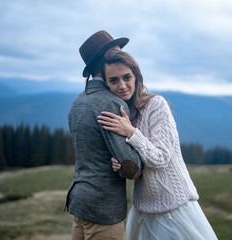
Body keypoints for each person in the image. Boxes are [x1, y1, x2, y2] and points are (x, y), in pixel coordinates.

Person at [97, 50, 218, 240]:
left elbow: (160, 158)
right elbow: (138, 163)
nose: (122, 85)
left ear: (136, 77)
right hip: (142, 210)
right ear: (106, 84)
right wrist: (121, 163)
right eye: (113, 80)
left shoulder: (156, 105)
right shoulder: (122, 113)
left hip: (174, 209)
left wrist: (131, 132)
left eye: (127, 77)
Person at [64, 30, 143, 240]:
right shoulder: (111, 102)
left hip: (79, 202)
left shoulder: (77, 102)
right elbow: (130, 167)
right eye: (115, 50)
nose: (120, 54)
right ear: (103, 61)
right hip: (103, 210)